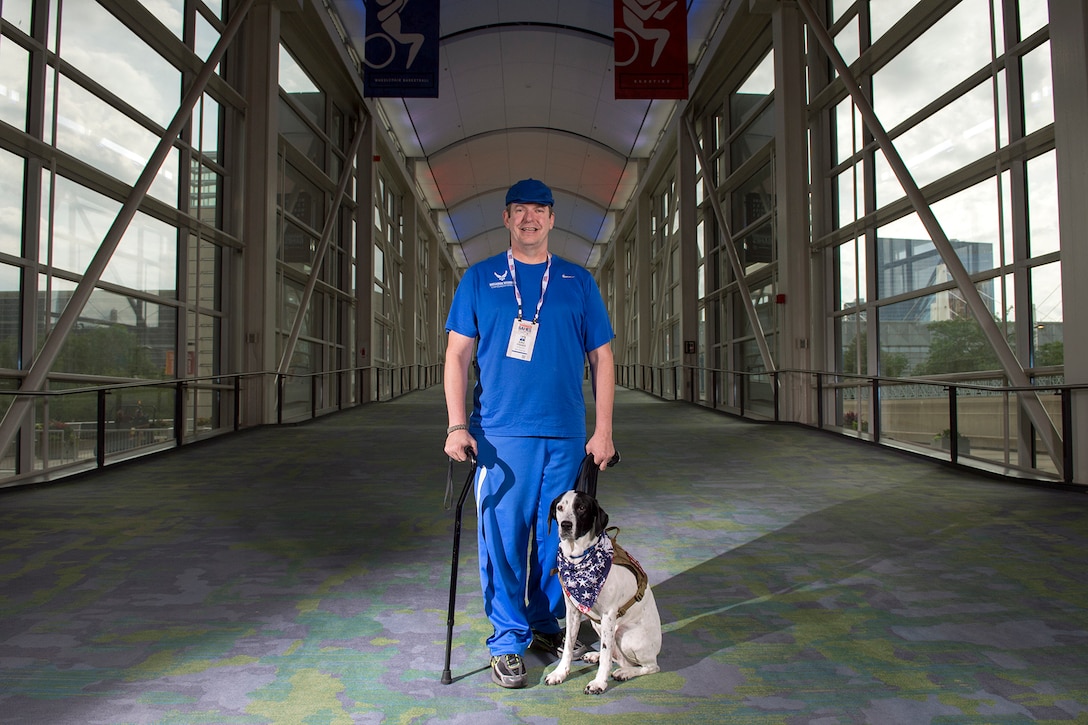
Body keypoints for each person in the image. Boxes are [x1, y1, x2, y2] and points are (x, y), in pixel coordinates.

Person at [443, 178, 617, 689]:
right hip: (500, 438)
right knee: (502, 540)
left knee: (557, 543)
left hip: (565, 436)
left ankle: (546, 625)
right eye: (519, 211)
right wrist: (456, 425)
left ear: (551, 219)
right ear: (506, 218)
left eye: (538, 211)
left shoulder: (577, 282)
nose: (529, 220)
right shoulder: (479, 279)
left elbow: (602, 357)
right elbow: (456, 355)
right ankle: (507, 639)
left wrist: (603, 429)